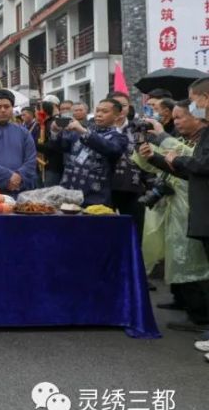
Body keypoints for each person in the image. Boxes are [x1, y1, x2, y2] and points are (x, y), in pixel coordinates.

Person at [136, 100, 209, 333]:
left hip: (192, 205)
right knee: (178, 256)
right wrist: (151, 158)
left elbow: (194, 164)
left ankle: (200, 315)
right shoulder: (191, 139)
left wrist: (163, 139)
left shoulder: (201, 139)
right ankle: (188, 305)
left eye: (179, 118)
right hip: (180, 204)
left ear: (197, 116)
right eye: (174, 118)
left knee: (191, 260)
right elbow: (180, 167)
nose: (174, 123)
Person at [54, 98, 128, 206]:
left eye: (104, 111)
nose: (99, 114)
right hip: (69, 192)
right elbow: (61, 147)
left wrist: (83, 132)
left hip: (94, 196)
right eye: (97, 110)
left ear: (117, 116)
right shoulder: (82, 130)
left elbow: (111, 149)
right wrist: (55, 131)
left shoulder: (119, 137)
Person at [108, 91, 149, 238]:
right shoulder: (97, 128)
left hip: (133, 186)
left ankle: (134, 260)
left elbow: (145, 156)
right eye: (115, 105)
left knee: (135, 231)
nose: (120, 109)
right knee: (107, 232)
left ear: (129, 107)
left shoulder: (138, 128)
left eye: (123, 105)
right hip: (106, 187)